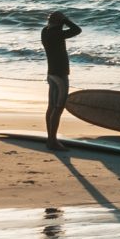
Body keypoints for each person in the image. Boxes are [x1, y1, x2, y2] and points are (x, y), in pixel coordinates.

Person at [40, 11, 83, 146]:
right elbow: (77, 30)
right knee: (58, 108)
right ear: (59, 22)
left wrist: (61, 20)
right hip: (60, 75)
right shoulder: (57, 34)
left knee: (51, 106)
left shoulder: (45, 32)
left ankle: (50, 138)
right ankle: (53, 141)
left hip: (51, 73)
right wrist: (66, 20)